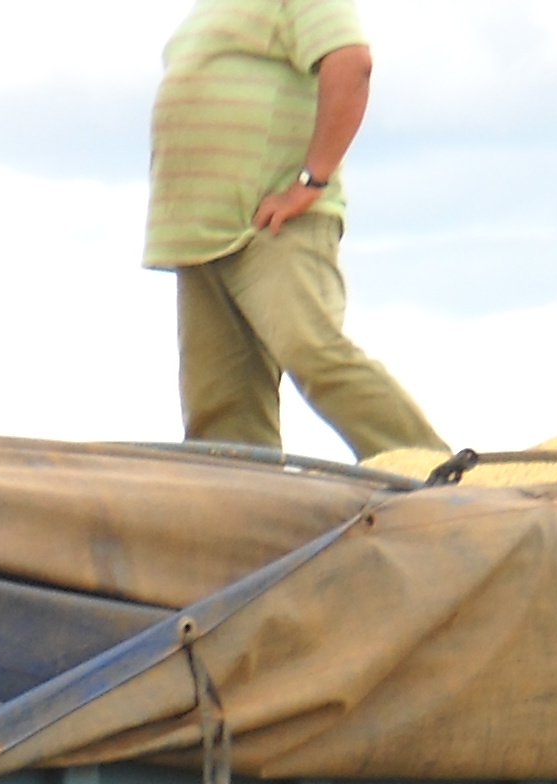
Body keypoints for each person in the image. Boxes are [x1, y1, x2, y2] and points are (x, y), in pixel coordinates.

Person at [146, 1, 438, 461]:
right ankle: (242, 518)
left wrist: (310, 181)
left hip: (273, 223)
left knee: (314, 352)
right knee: (221, 406)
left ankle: (439, 476)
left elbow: (351, 62)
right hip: (201, 232)